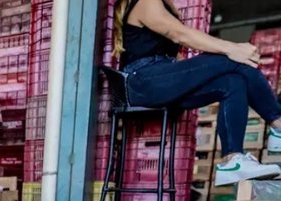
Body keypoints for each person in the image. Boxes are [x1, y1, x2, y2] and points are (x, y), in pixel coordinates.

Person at [114, 0, 281, 186]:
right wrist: (232, 48)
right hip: (141, 82)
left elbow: (175, 54)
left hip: (162, 78)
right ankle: (278, 125)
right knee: (237, 60)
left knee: (233, 82)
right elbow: (179, 34)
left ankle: (233, 160)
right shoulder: (145, 1)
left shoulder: (166, 6)